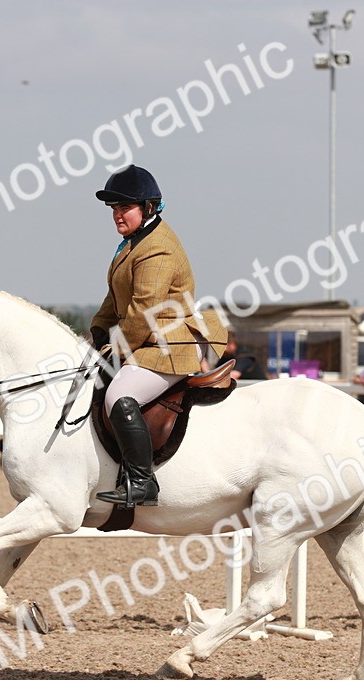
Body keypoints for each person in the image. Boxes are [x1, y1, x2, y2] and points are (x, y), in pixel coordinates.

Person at [88, 165, 228, 507]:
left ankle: (142, 481)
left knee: (118, 396)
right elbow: (116, 296)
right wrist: (97, 328)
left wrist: (116, 349)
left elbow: (143, 311)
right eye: (114, 209)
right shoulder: (133, 244)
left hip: (167, 345)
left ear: (149, 207)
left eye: (125, 208)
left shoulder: (157, 249)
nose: (117, 215)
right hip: (147, 340)